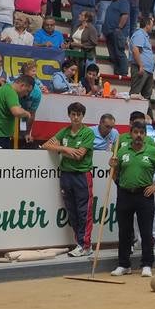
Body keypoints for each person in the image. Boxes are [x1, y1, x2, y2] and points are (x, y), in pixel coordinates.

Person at [109, 120, 155, 278]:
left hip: (144, 194)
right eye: (136, 132)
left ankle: (147, 264)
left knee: (146, 231)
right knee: (124, 232)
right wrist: (112, 166)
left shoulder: (152, 151)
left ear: (145, 135)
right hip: (124, 194)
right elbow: (115, 175)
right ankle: (124, 265)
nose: (138, 135)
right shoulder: (122, 151)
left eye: (141, 133)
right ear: (131, 134)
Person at [43, 102, 97, 257]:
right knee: (72, 211)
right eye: (73, 114)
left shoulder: (87, 133)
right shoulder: (64, 132)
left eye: (78, 114)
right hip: (66, 175)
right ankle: (79, 243)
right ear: (69, 115)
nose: (75, 117)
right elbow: (47, 145)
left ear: (82, 116)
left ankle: (86, 245)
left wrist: (61, 151)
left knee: (84, 211)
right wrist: (64, 149)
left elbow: (79, 156)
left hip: (81, 175)